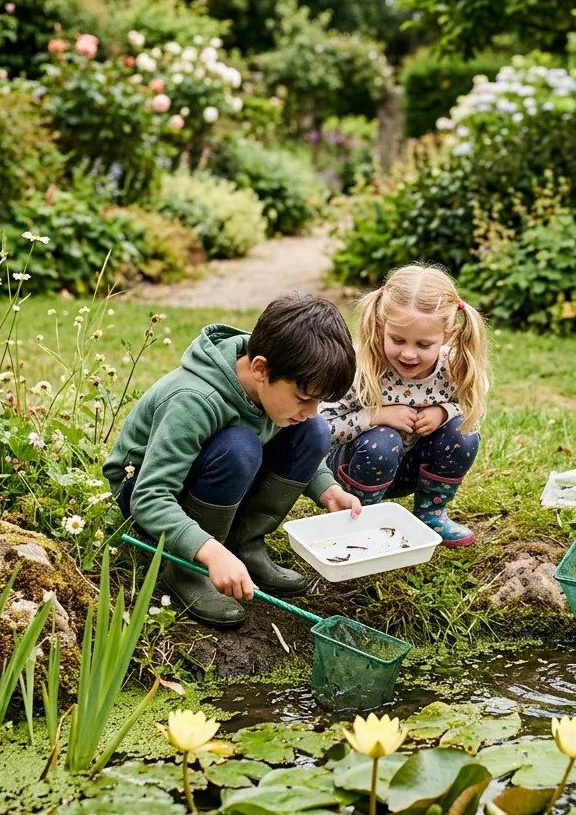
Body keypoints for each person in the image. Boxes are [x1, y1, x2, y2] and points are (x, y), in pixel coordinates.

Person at [104, 294, 362, 628]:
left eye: (319, 401)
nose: (312, 410)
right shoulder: (194, 399)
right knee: (240, 447)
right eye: (303, 398)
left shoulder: (274, 377)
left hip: (211, 474)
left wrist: (327, 489)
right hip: (145, 490)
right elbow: (149, 496)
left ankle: (244, 546)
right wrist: (209, 553)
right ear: (260, 369)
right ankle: (187, 570)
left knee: (313, 430)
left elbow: (294, 435)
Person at [322, 264, 490, 548]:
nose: (409, 354)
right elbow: (321, 429)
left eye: (424, 345)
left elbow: (471, 408)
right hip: (353, 470)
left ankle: (430, 514)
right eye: (397, 340)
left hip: (409, 471)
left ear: (447, 335)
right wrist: (376, 416)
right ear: (381, 327)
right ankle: (358, 520)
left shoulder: (454, 368)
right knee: (383, 440)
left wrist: (444, 412)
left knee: (464, 433)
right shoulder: (361, 367)